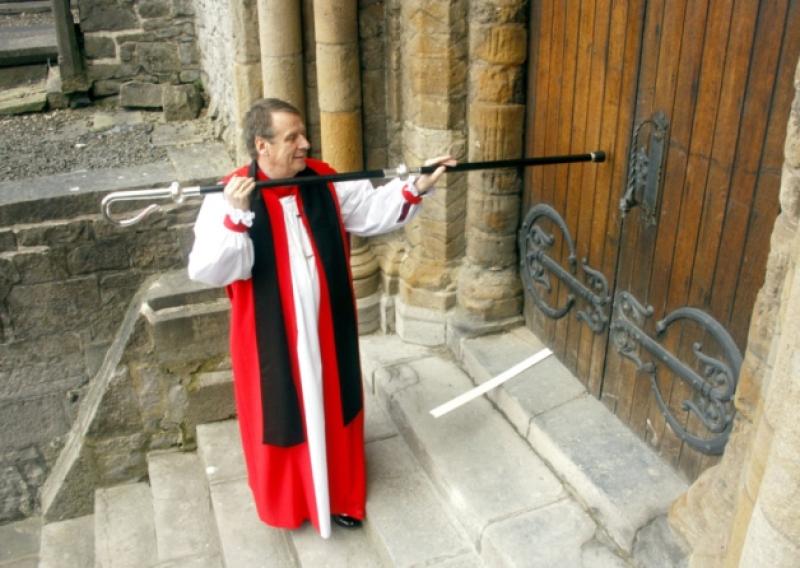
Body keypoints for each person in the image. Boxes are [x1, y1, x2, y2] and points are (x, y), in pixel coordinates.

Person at [187, 98, 453, 539]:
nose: (304, 144)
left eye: (303, 134)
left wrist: (417, 186)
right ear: (262, 145)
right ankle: (293, 503)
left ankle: (341, 495)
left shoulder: (323, 180)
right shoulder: (229, 195)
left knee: (332, 399)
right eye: (292, 137)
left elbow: (369, 212)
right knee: (284, 410)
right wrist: (237, 219)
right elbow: (209, 269)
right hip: (268, 336)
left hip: (327, 325)